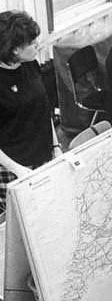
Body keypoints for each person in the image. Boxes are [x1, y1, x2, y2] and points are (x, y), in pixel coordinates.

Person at [0, 11, 61, 214]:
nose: (38, 45)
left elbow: (44, 109)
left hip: (44, 155)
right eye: (32, 42)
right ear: (14, 49)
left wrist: (56, 146)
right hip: (14, 167)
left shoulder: (30, 64)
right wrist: (18, 170)